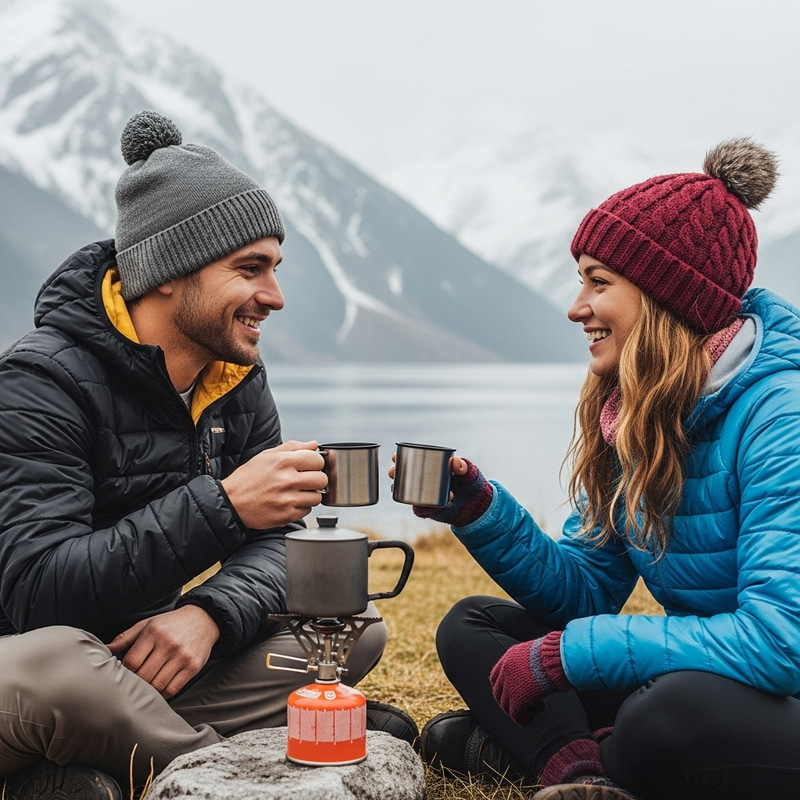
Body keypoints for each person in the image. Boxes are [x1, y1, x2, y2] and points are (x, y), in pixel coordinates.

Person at [0, 110, 414, 800]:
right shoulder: (40, 382)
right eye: (250, 269)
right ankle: (234, 774)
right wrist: (223, 507)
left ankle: (96, 767)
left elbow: (282, 545)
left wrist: (211, 615)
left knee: (349, 621)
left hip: (145, 672)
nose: (274, 298)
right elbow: (39, 596)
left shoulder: (233, 378)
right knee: (62, 667)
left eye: (275, 269)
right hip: (31, 667)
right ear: (168, 271)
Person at [398, 138, 800, 799]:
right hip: (702, 679)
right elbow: (585, 595)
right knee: (473, 625)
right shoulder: (638, 412)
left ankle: (519, 748)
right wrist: (480, 512)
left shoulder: (779, 414)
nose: (576, 306)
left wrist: (575, 654)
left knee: (662, 720)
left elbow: (780, 642)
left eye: (598, 281)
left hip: (771, 693)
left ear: (666, 296)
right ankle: (578, 774)